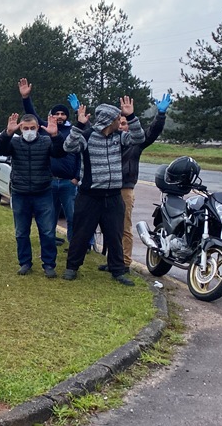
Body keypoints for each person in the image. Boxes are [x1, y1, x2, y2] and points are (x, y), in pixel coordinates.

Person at [62, 97, 145, 286]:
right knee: (81, 234)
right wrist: (78, 126)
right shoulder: (88, 136)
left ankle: (117, 271)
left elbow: (139, 139)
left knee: (114, 234)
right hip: (89, 196)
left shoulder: (119, 137)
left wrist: (131, 116)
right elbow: (68, 147)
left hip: (113, 196)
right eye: (118, 119)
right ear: (108, 121)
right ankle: (71, 268)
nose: (119, 122)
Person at [101, 93, 170, 269]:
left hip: (125, 189)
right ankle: (111, 260)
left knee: (124, 227)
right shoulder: (110, 141)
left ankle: (124, 262)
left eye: (125, 123)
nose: (122, 126)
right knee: (109, 227)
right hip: (107, 188)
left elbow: (152, 132)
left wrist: (160, 115)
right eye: (120, 123)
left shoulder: (136, 143)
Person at [0, 112, 65, 278]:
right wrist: (8, 133)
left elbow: (60, 153)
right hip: (20, 192)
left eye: (32, 128)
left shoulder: (46, 141)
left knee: (47, 231)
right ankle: (25, 262)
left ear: (38, 128)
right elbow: (0, 149)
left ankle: (49, 264)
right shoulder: (15, 142)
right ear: (21, 128)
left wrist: (55, 135)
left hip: (43, 192)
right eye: (25, 128)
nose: (29, 131)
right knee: (21, 231)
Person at [19, 78, 81, 246]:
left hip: (69, 182)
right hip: (50, 181)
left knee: (72, 215)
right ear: (51, 116)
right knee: (49, 215)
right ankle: (50, 240)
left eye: (62, 114)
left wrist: (76, 177)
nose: (59, 116)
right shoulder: (45, 128)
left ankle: (74, 244)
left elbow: (79, 155)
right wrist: (26, 98)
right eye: (56, 114)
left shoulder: (72, 131)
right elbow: (31, 115)